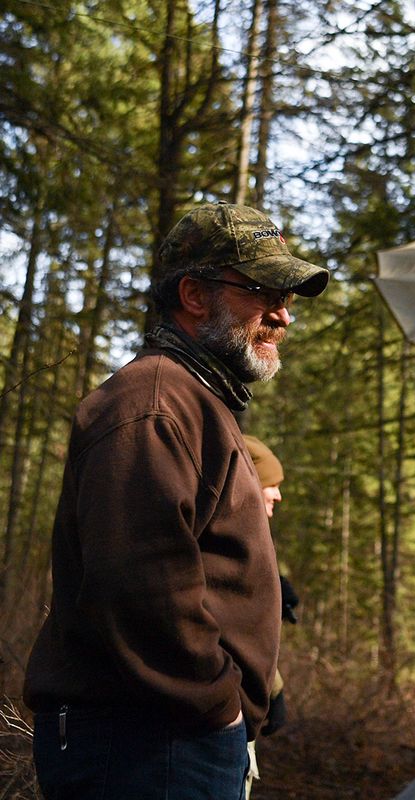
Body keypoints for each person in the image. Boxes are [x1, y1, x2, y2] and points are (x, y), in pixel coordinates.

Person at [23, 202, 329, 800]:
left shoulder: (194, 401)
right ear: (194, 294)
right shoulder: (154, 403)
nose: (284, 315)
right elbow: (140, 587)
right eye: (263, 291)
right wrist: (220, 707)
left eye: (287, 297)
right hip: (148, 740)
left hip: (171, 736)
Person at [240, 434, 297, 799]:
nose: (277, 495)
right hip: (218, 722)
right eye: (269, 484)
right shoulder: (224, 546)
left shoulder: (253, 543)